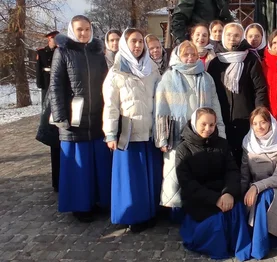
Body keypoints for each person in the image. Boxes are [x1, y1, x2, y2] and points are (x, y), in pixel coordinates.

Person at [49, 15, 111, 222]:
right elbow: (56, 86)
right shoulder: (63, 52)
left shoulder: (97, 53)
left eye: (86, 29)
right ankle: (80, 206)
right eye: (79, 29)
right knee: (79, 165)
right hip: (73, 119)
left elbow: (106, 83)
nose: (83, 33)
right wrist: (60, 116)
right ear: (71, 30)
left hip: (96, 117)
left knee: (97, 163)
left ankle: (99, 201)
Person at [155, 41, 225, 217]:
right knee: (175, 171)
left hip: (201, 131)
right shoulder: (169, 77)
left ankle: (196, 207)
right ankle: (175, 210)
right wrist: (162, 137)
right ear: (178, 56)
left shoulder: (206, 77)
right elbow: (161, 109)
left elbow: (214, 105)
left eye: (193, 54)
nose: (190, 58)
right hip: (176, 132)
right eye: (186, 54)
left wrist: (220, 130)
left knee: (198, 171)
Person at [102, 28, 161, 232]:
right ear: (126, 44)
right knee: (131, 179)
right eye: (133, 42)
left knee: (149, 177)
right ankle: (133, 216)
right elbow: (110, 105)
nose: (137, 46)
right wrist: (110, 134)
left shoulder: (152, 69)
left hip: (150, 131)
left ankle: (151, 212)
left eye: (140, 42)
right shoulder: (116, 71)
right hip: (129, 132)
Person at [176, 107, 252, 261]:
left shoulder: (222, 144)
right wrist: (215, 199)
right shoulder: (183, 149)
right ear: (194, 123)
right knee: (217, 220)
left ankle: (238, 245)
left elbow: (232, 171)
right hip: (199, 199)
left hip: (223, 193)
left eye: (212, 125)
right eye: (203, 124)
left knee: (236, 209)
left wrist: (228, 193)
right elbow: (187, 183)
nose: (208, 129)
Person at [207, 22, 269, 166]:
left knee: (246, 158)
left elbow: (260, 89)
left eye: (236, 35)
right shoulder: (215, 63)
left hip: (246, 117)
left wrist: (259, 114)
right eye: (229, 35)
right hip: (222, 118)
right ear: (223, 37)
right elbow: (210, 90)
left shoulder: (250, 60)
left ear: (242, 38)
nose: (232, 38)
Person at [241, 107, 277, 259]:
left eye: (263, 122)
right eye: (255, 123)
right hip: (253, 189)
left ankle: (259, 248)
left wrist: (256, 187)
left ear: (271, 124)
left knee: (264, 197)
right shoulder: (248, 145)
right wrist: (240, 194)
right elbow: (244, 175)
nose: (259, 127)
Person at [35, 29, 60, 192]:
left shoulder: (63, 52)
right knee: (53, 135)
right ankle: (56, 181)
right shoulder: (41, 53)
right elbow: (39, 77)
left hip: (61, 91)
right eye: (51, 39)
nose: (53, 41)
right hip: (48, 93)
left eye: (55, 38)